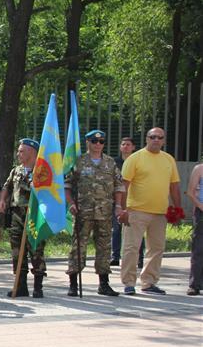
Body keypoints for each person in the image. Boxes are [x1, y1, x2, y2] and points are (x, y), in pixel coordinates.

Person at [119, 127, 182, 295]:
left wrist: (178, 209)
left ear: (164, 140)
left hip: (160, 212)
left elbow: (174, 186)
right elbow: (123, 186)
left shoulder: (168, 159)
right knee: (131, 248)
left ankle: (149, 282)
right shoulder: (135, 158)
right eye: (152, 137)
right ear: (146, 139)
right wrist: (122, 209)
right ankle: (128, 282)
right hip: (136, 210)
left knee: (156, 248)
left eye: (159, 137)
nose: (156, 140)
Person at [64, 130, 124, 297]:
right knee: (78, 247)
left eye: (101, 141)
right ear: (87, 142)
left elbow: (119, 186)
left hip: (104, 213)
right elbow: (67, 186)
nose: (98, 144)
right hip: (83, 212)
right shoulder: (79, 162)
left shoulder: (110, 163)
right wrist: (71, 203)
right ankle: (73, 284)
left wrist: (118, 206)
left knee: (104, 248)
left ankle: (104, 284)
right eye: (94, 141)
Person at [0, 138, 46, 298]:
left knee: (36, 251)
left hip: (34, 216)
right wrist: (3, 200)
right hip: (17, 216)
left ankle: (38, 287)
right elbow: (7, 186)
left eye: (21, 151)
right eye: (18, 151)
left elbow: (50, 194)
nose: (18, 154)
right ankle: (20, 285)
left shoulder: (41, 171)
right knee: (17, 252)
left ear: (31, 152)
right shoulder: (16, 170)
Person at [111, 137, 140, 266]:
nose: (126, 146)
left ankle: (139, 258)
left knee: (136, 229)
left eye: (128, 144)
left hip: (134, 200)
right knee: (116, 229)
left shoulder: (138, 161)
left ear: (133, 147)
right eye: (123, 144)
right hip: (117, 199)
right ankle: (115, 256)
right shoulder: (114, 162)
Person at [187, 161, 203, 295]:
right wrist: (201, 206)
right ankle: (194, 284)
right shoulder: (199, 169)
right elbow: (191, 192)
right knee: (198, 249)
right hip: (201, 211)